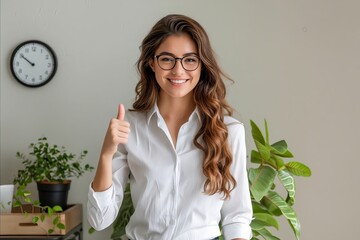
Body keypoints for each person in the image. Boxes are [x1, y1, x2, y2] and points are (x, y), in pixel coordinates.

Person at [87, 14, 252, 240]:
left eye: (190, 59)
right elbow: (100, 219)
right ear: (151, 63)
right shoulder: (129, 127)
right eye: (167, 59)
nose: (178, 70)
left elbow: (237, 217)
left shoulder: (229, 131)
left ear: (202, 65)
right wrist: (106, 154)